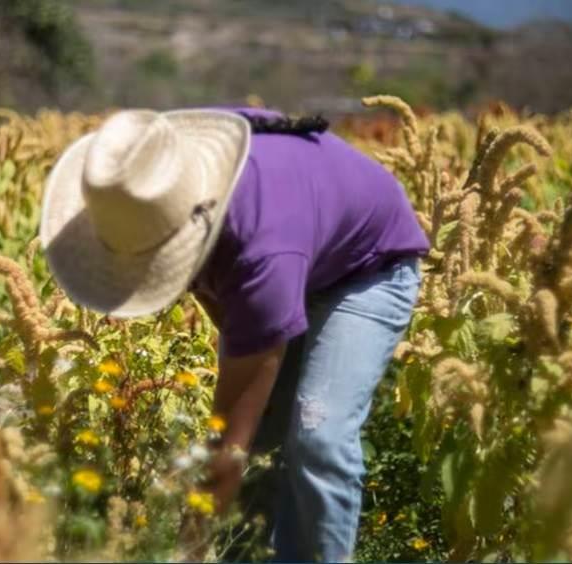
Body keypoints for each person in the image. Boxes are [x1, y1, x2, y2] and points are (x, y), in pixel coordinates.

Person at [39, 107, 429, 562]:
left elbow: (227, 445)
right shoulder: (163, 179)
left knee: (315, 434)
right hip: (294, 248)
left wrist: (186, 553)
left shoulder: (258, 250)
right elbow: (220, 304)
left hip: (368, 268)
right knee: (263, 431)